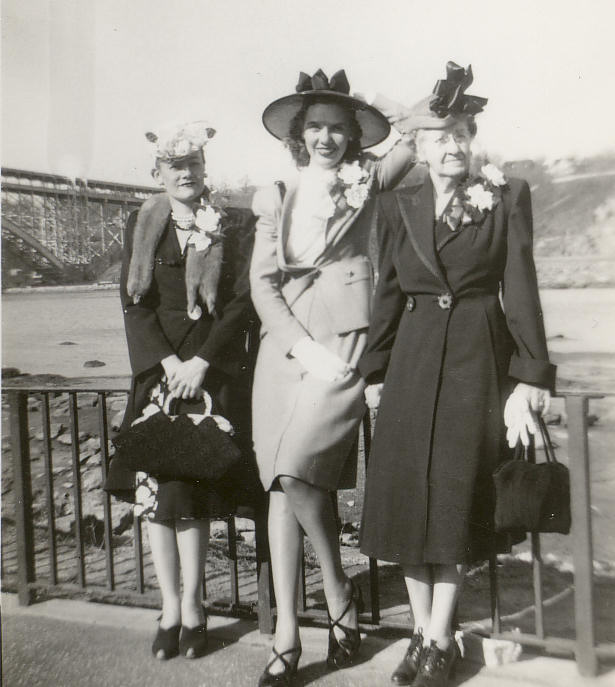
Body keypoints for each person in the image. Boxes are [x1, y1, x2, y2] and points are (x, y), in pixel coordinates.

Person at [358, 62, 556, 687]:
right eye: (440, 136)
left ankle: (438, 637)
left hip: (477, 354)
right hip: (412, 359)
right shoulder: (396, 203)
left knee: (451, 497)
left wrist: (531, 376)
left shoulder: (506, 195)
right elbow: (387, 293)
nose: (454, 145)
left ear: (473, 140)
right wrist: (374, 370)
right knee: (409, 501)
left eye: (462, 133)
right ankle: (421, 633)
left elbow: (520, 288)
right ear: (417, 146)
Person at [250, 69, 415, 686]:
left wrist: (383, 104)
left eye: (339, 129)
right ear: (298, 135)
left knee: (296, 469)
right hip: (284, 347)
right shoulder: (272, 194)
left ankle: (338, 586)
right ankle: (290, 633)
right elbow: (263, 286)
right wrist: (297, 346)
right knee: (279, 486)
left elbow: (414, 139)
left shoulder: (366, 181)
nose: (326, 138)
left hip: (346, 335)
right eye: (314, 127)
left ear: (354, 136)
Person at [104, 121, 258, 661]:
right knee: (155, 501)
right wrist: (169, 362)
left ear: (204, 168)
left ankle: (194, 609)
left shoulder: (232, 223)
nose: (186, 173)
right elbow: (134, 302)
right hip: (158, 378)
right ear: (158, 174)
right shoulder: (142, 223)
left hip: (206, 376)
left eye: (193, 164)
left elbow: (241, 301)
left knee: (188, 499)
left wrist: (201, 361)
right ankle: (169, 608)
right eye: (175, 167)